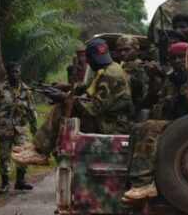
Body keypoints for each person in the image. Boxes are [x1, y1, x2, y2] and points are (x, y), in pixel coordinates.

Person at [12, 38, 133, 166]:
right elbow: (87, 88)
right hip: (111, 120)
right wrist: (65, 88)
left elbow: (94, 108)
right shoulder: (110, 68)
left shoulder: (110, 75)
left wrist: (65, 98)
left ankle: (40, 151)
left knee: (63, 105)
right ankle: (37, 147)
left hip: (113, 125)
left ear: (90, 59)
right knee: (64, 103)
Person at [123, 42, 188, 203]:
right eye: (173, 58)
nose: (177, 61)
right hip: (174, 123)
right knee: (138, 128)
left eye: (181, 57)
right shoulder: (170, 80)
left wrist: (187, 82)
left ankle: (145, 183)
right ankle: (132, 181)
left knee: (150, 128)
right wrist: (157, 78)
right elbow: (156, 105)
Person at [0, 62, 38, 193]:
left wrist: (35, 127)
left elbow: (31, 109)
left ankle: (20, 180)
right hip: (4, 128)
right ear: (7, 73)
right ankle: (4, 183)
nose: (14, 74)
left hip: (20, 128)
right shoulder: (0, 89)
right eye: (12, 72)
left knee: (23, 154)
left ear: (19, 73)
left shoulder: (25, 90)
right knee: (4, 157)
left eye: (16, 72)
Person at [117, 34, 149, 112]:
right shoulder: (123, 67)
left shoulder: (142, 68)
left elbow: (144, 96)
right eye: (120, 50)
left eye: (126, 50)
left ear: (137, 51)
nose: (122, 53)